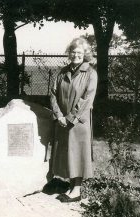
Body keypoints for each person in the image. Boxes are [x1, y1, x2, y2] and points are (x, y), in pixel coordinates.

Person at [50, 36, 97, 203]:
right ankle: (71, 187)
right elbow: (53, 94)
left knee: (78, 154)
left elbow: (86, 100)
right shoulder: (63, 72)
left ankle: (77, 190)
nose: (76, 55)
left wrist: (69, 118)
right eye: (73, 51)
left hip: (78, 123)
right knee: (68, 154)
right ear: (69, 53)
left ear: (85, 54)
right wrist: (59, 115)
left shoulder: (91, 73)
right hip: (63, 121)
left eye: (79, 52)